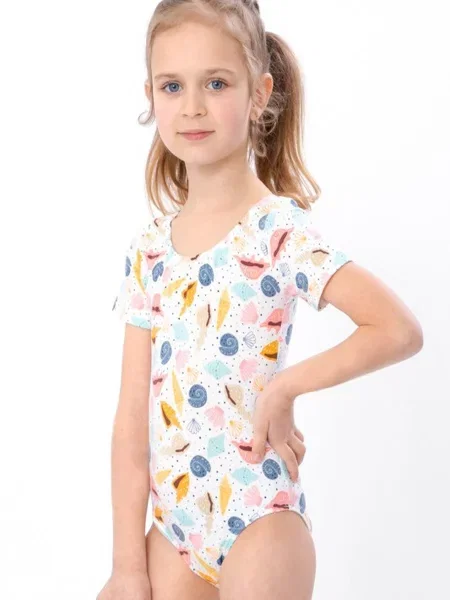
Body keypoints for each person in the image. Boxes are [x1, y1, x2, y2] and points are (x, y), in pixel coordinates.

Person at [98, 1, 423, 599]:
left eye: (216, 83)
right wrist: (126, 566)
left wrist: (284, 388)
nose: (192, 106)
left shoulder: (278, 232)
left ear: (259, 93)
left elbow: (397, 329)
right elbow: (130, 422)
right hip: (173, 529)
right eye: (173, 86)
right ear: (150, 95)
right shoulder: (149, 250)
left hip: (258, 517)